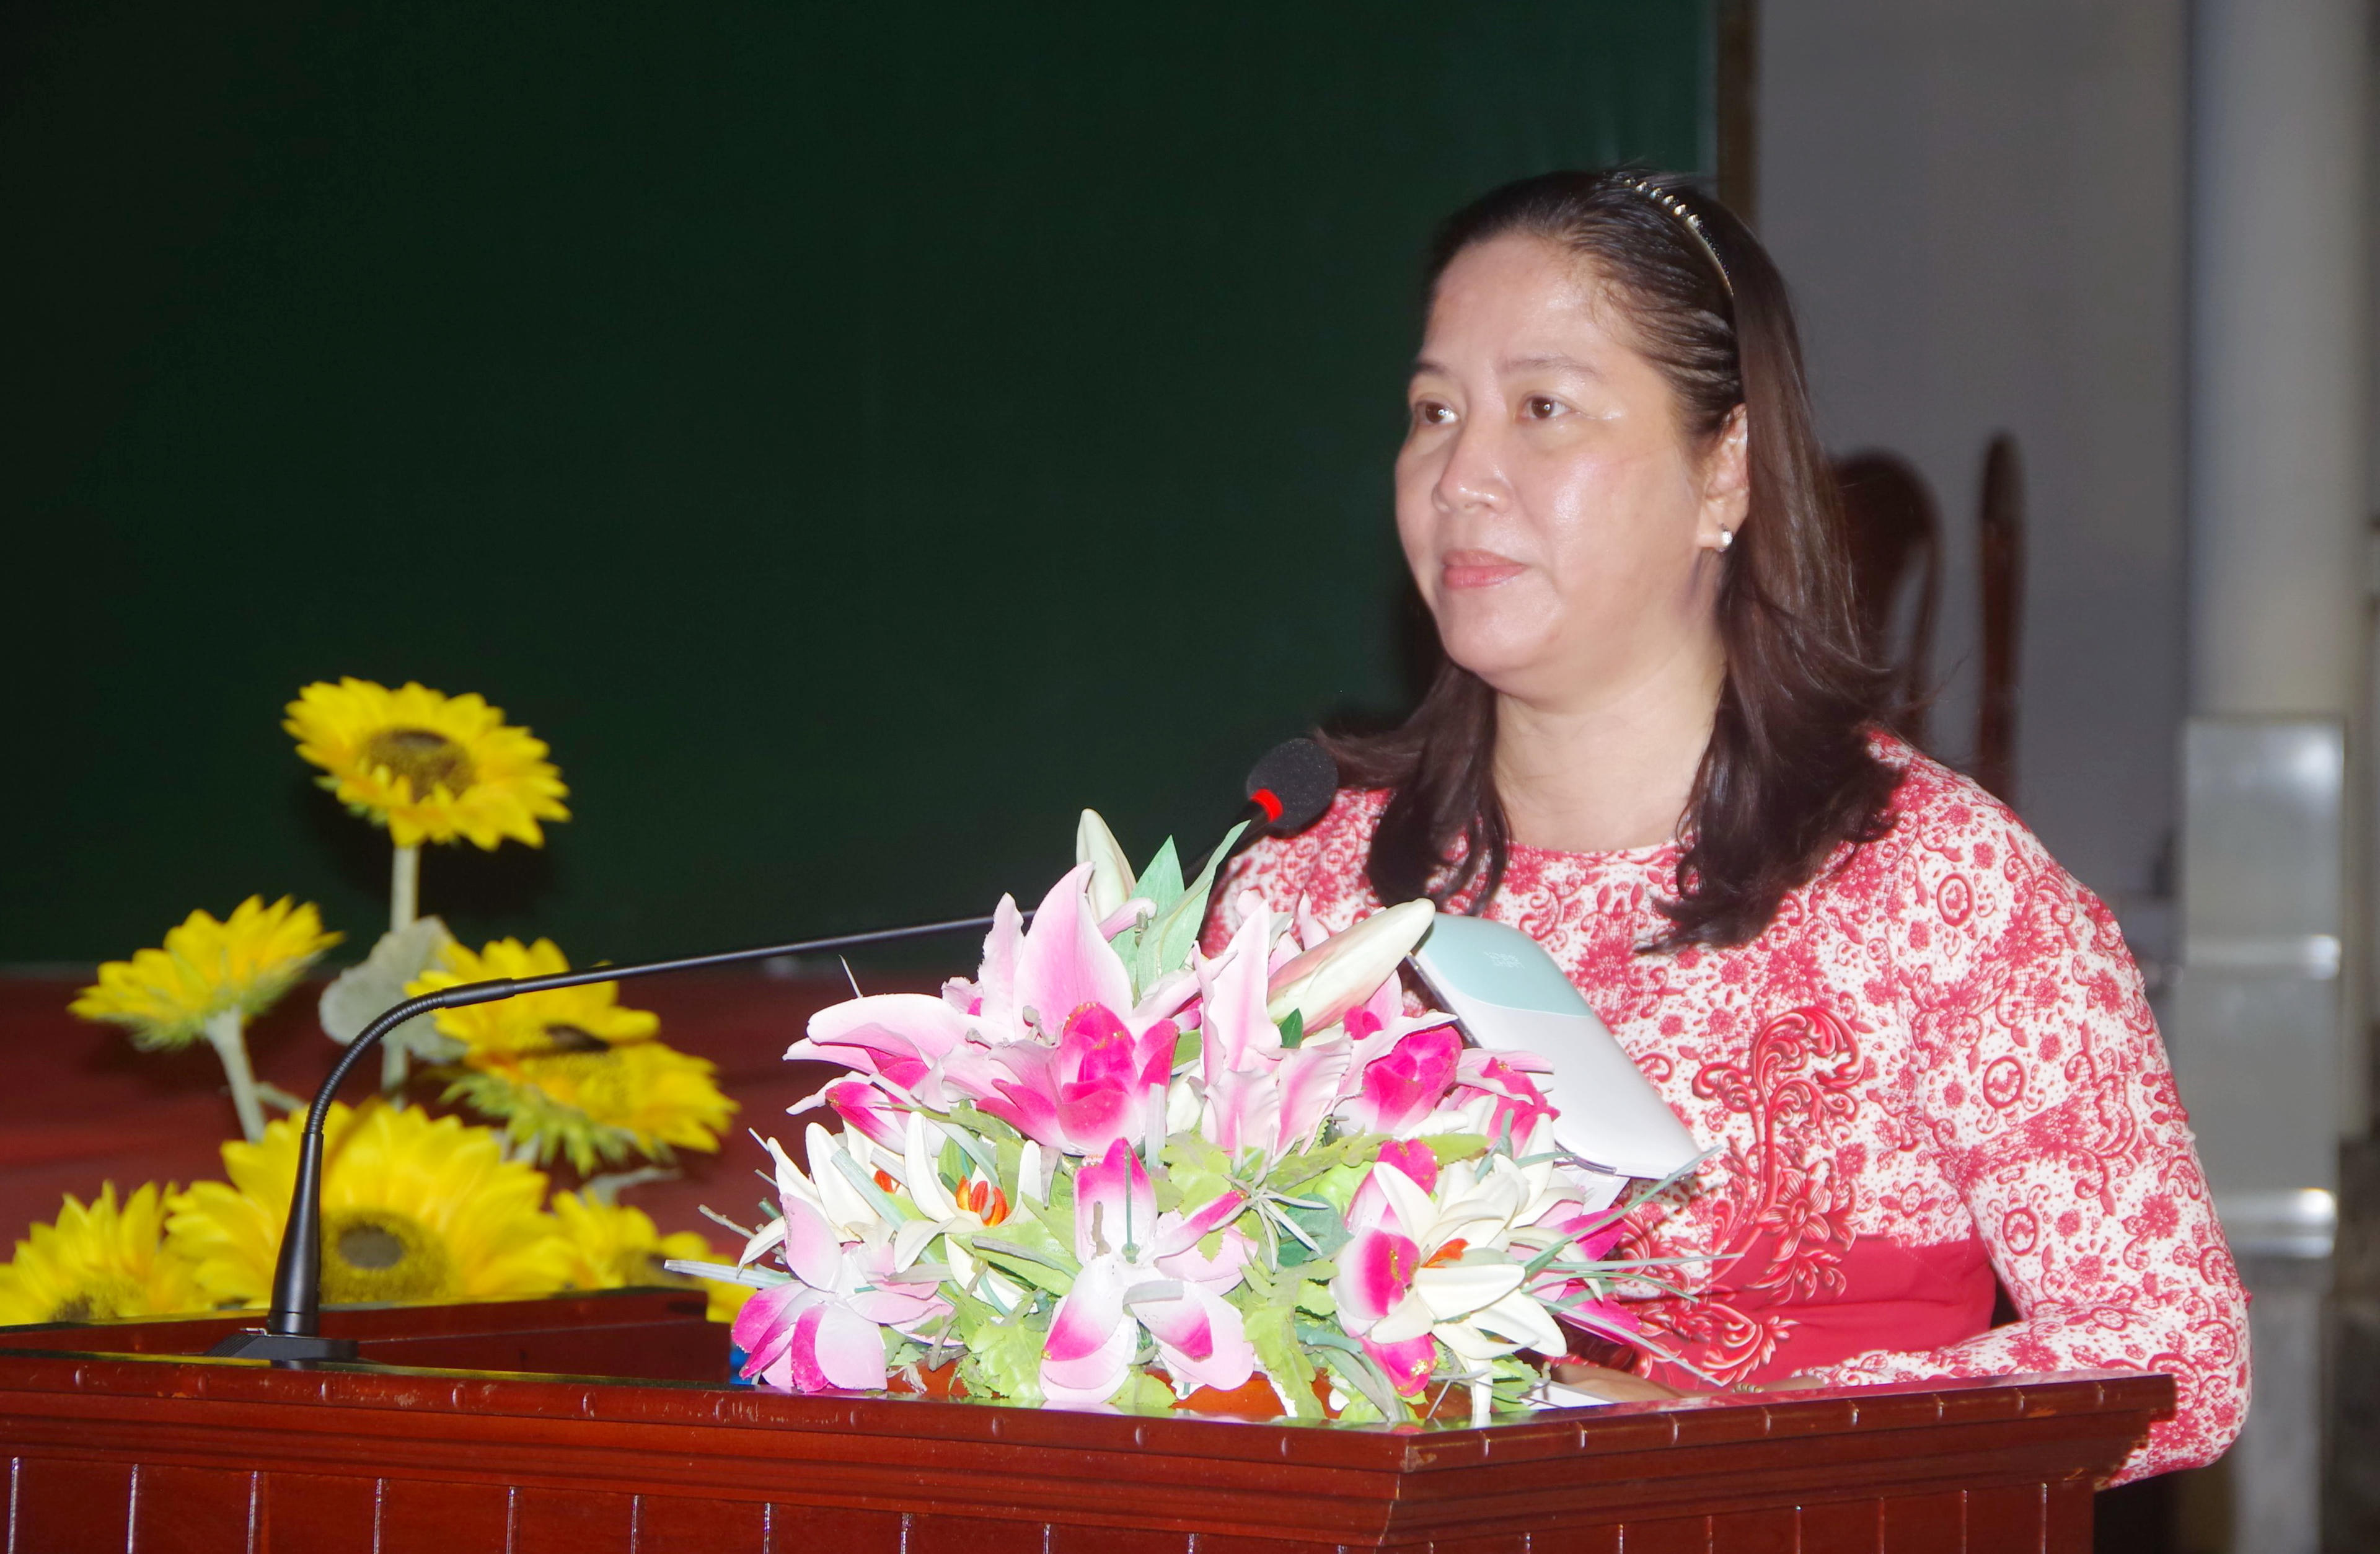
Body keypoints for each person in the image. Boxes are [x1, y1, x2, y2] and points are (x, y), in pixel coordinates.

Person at [1209, 170, 2247, 1484]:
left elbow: (2174, 1356)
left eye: (1542, 409)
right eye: (1435, 412)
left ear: (1725, 473)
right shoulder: (1306, 882)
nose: (1462, 476)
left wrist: (1705, 1443)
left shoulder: (1941, 894)